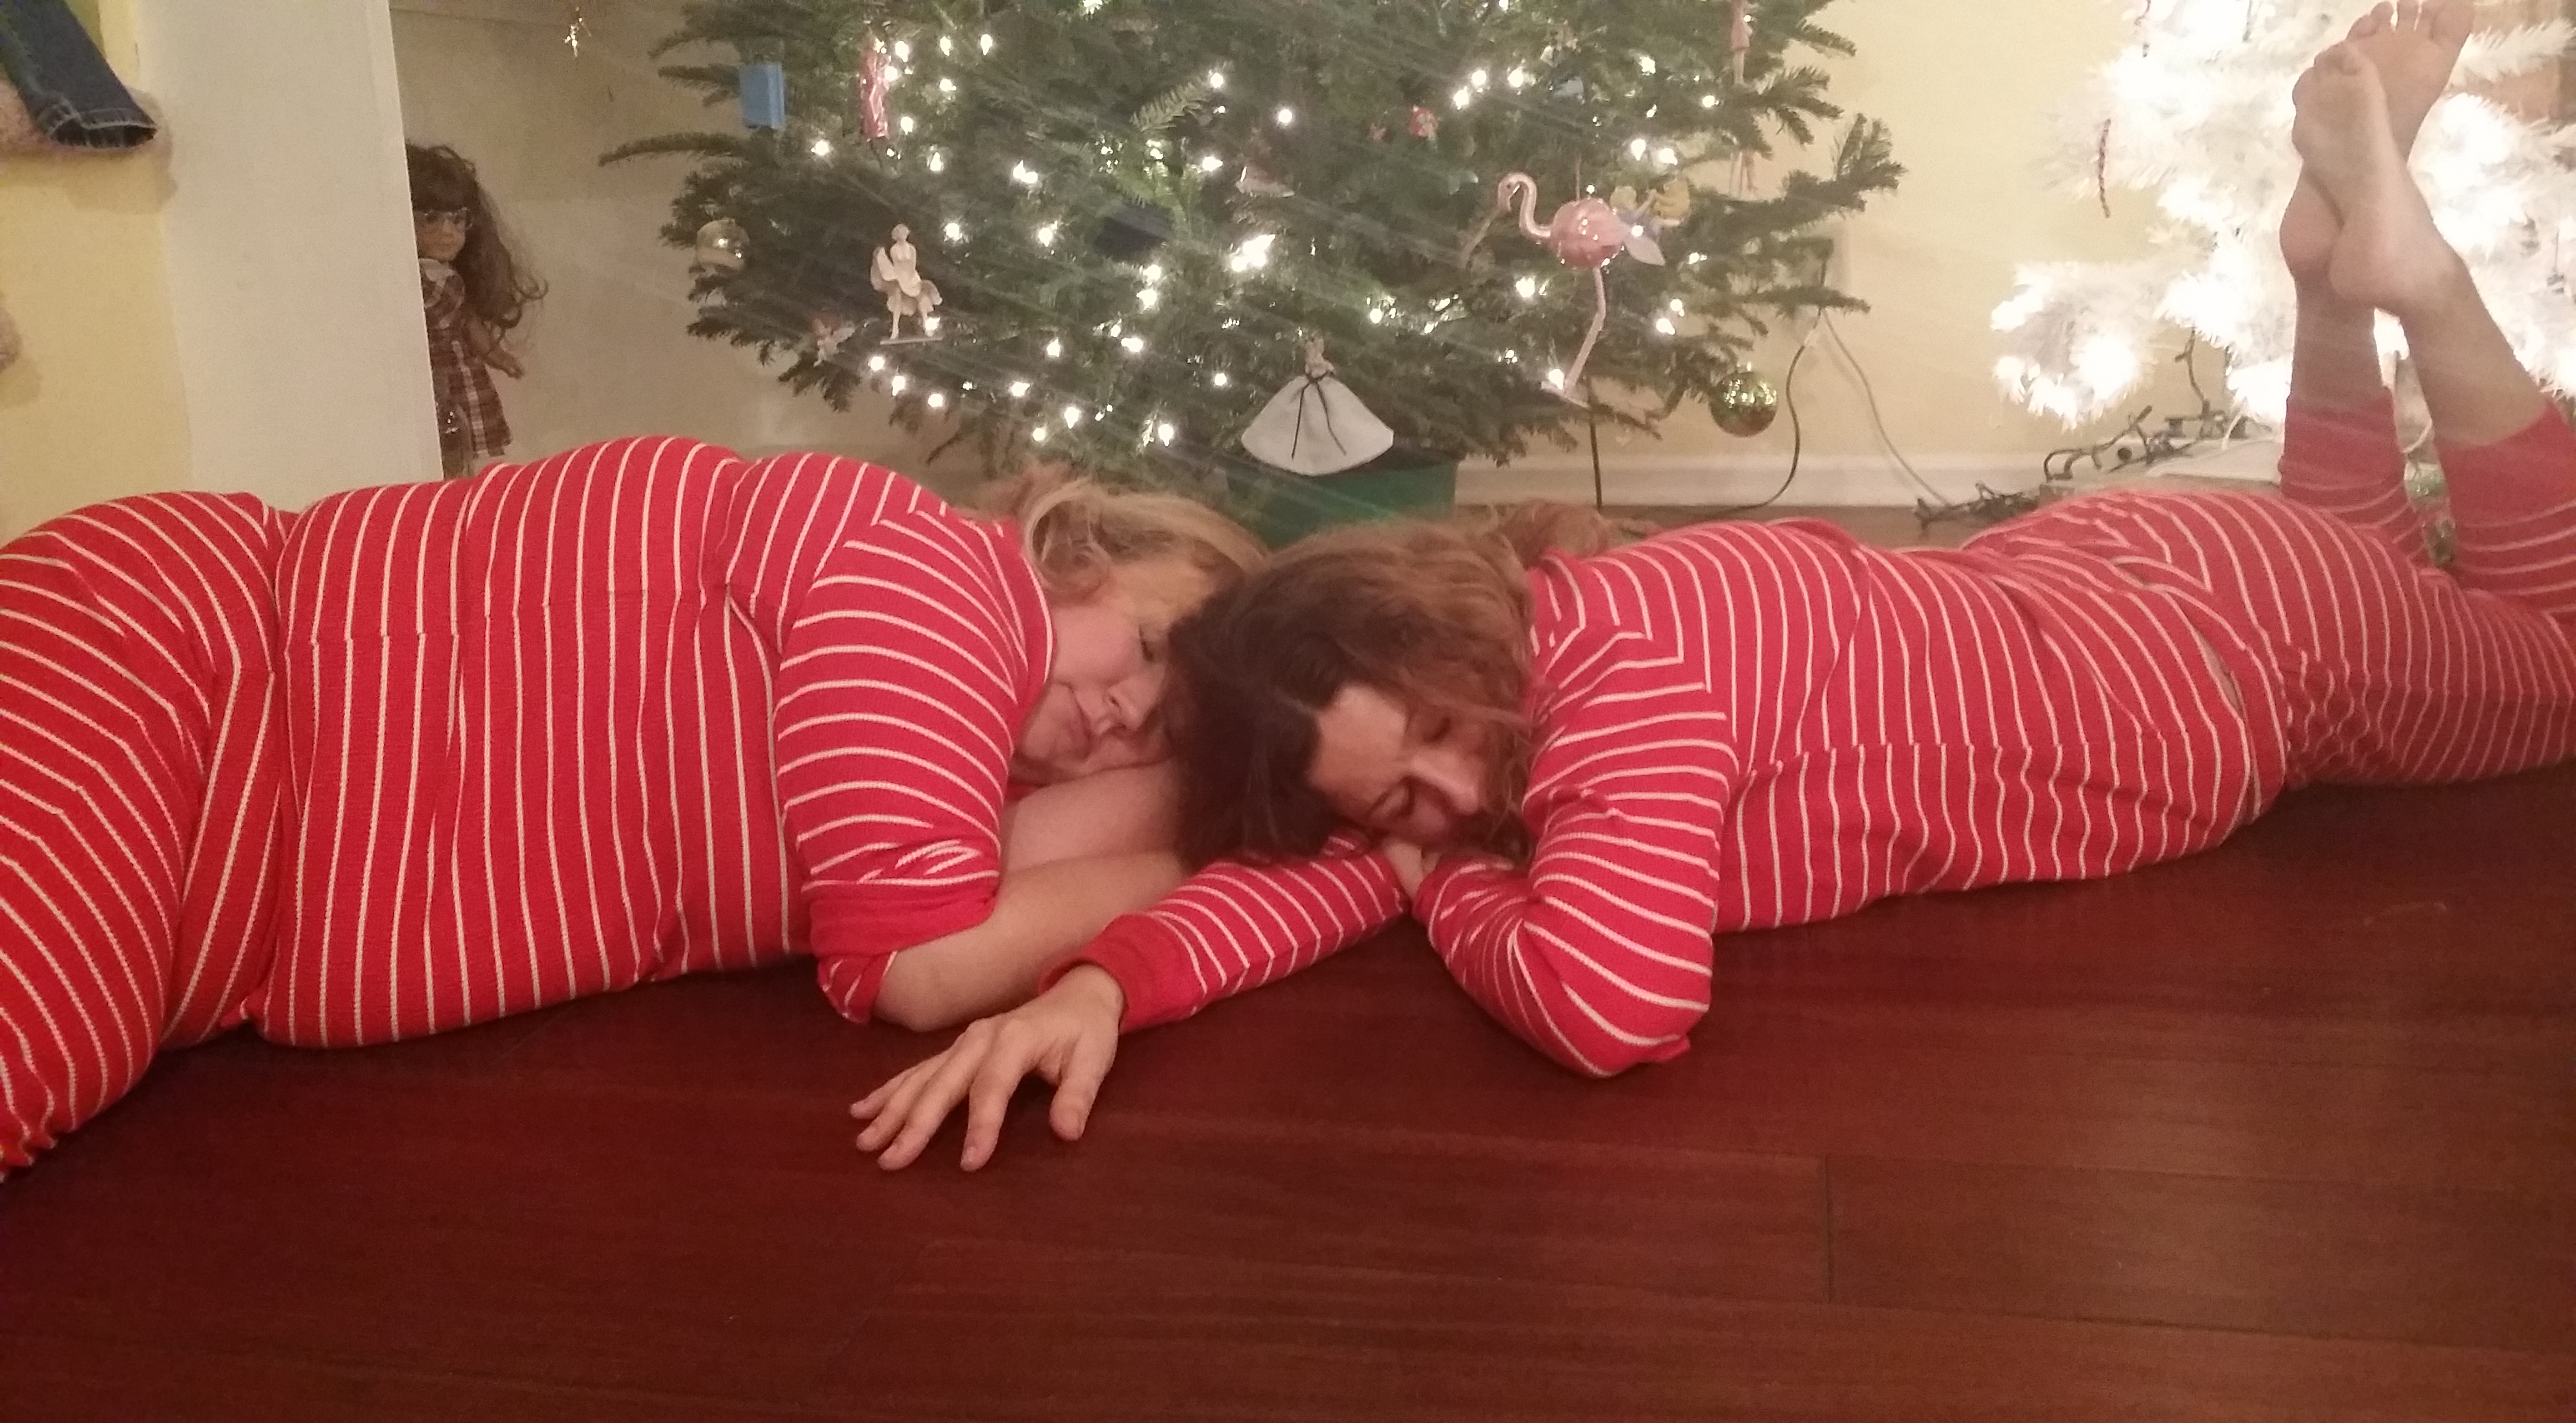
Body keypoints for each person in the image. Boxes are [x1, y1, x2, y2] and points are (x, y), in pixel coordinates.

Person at [851, 0, 2576, 1170]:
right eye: (1406, 798)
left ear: (1439, 639)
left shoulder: (1615, 703)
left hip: (2235, 668)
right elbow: (1324, 875)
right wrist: (1103, 982)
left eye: (1438, 745)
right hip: (2140, 560)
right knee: (2367, 543)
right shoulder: (1517, 643)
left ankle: (2419, 287)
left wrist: (1443, 881)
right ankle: (2326, 281)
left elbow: (1609, 1007)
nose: (1456, 792)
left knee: (2556, 655)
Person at [0, 437, 1261, 1174]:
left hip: (221, 898)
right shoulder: (929, 581)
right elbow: (916, 964)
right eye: (1151, 646)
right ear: (1089, 550)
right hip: (187, 683)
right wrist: (1208, 845)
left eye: (1165, 734)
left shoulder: (953, 763)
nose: (1127, 712)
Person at [409, 143, 545, 477]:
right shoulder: (412, 280)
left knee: (463, 452)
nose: (448, 232)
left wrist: (495, 354)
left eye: (458, 219)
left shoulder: (447, 277)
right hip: (430, 377)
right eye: (431, 218)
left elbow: (467, 319)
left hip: (461, 375)